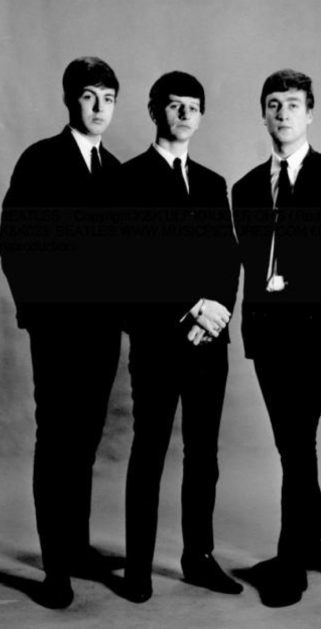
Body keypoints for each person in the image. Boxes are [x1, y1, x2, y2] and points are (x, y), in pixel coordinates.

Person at [232, 69, 321, 606]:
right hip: (267, 333)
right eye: (273, 104)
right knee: (293, 442)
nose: (282, 113)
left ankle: (292, 560)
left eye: (293, 104)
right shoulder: (243, 189)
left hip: (315, 333)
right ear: (263, 114)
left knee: (296, 436)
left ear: (310, 114)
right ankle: (310, 541)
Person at [0, 57, 122, 608]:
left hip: (102, 332)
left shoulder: (115, 168)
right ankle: (54, 570)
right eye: (90, 97)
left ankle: (76, 546)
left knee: (87, 441)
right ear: (71, 100)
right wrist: (37, 313)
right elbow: (15, 242)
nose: (100, 108)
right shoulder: (41, 160)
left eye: (109, 98)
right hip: (56, 329)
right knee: (57, 443)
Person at [119, 71, 241, 603]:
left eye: (194, 106)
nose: (185, 115)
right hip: (157, 342)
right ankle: (139, 568)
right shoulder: (129, 180)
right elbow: (130, 266)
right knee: (148, 453)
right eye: (175, 106)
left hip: (209, 345)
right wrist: (190, 307)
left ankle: (199, 558)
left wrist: (217, 311)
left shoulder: (214, 183)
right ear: (155, 111)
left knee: (204, 455)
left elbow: (228, 257)